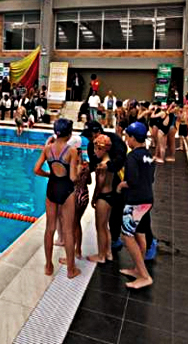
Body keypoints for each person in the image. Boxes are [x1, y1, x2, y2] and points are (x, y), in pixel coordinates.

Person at [33, 119, 81, 279]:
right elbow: (73, 177)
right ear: (69, 133)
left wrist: (48, 175)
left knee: (50, 228)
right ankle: (71, 270)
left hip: (52, 187)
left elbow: (36, 169)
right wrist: (80, 170)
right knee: (68, 230)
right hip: (66, 189)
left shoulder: (47, 149)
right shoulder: (72, 151)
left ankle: (48, 265)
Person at [116, 122, 156, 289]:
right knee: (140, 234)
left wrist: (121, 185)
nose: (125, 139)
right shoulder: (148, 155)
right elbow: (150, 178)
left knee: (127, 236)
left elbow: (131, 181)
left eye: (127, 136)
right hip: (147, 199)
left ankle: (145, 276)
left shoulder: (132, 156)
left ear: (132, 138)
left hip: (136, 201)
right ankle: (138, 270)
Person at [83, 121, 128, 252]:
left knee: (106, 222)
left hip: (115, 183)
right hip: (108, 186)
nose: (89, 141)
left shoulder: (116, 142)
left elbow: (120, 160)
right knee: (105, 223)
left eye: (90, 136)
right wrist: (88, 168)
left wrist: (94, 198)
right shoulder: (93, 146)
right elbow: (94, 164)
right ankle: (109, 249)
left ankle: (111, 243)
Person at [87, 134, 115, 264]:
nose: (94, 151)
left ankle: (101, 255)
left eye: (96, 148)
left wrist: (94, 198)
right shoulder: (110, 162)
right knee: (106, 226)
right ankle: (108, 253)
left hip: (103, 197)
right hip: (111, 195)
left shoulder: (102, 166)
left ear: (103, 149)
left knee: (100, 227)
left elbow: (99, 185)